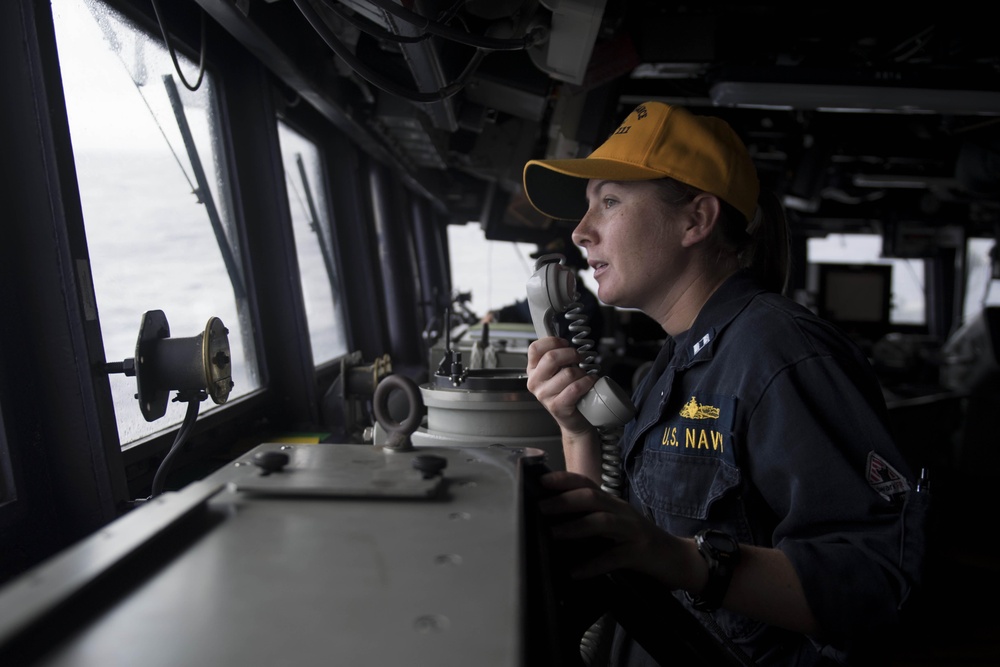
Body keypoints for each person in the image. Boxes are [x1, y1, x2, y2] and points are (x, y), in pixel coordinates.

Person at [521, 101, 927, 666]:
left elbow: (874, 580)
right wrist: (576, 429)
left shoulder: (780, 351)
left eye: (609, 202)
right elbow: (612, 547)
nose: (581, 232)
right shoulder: (669, 364)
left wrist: (683, 559)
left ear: (696, 219)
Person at [483, 236, 606, 343]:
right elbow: (521, 310)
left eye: (550, 267)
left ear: (568, 271)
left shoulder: (586, 304)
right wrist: (496, 315)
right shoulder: (543, 296)